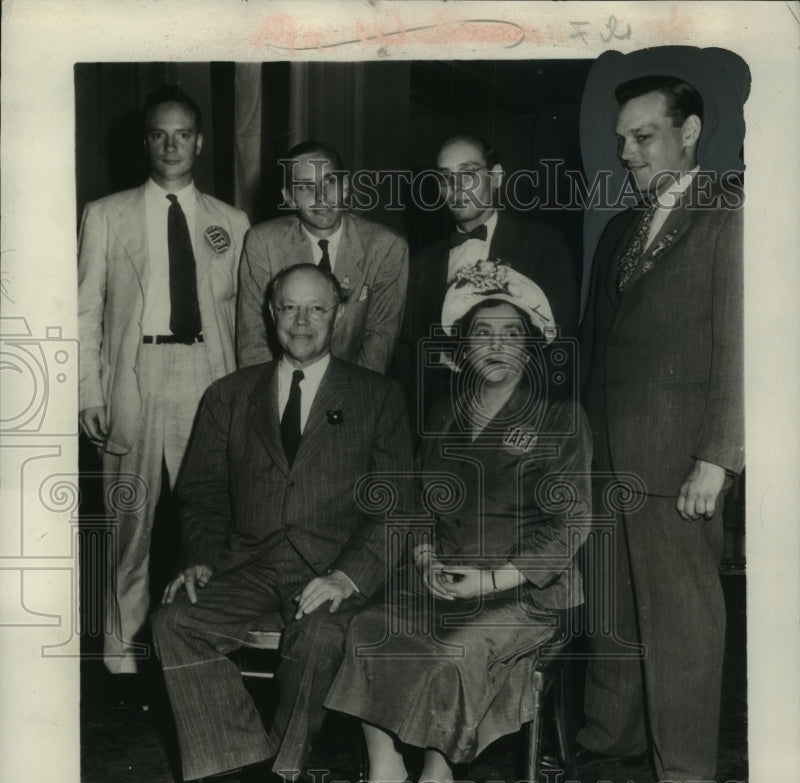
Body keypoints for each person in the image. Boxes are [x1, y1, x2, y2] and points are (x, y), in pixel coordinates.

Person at [325, 261, 592, 783]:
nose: (496, 347)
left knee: (455, 649)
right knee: (367, 626)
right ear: (464, 348)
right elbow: (421, 502)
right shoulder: (448, 413)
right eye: (482, 335)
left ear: (531, 347)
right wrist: (424, 555)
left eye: (510, 334)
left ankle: (436, 771)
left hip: (525, 590)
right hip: (446, 575)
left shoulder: (561, 418)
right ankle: (384, 768)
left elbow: (570, 525)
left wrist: (493, 578)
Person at [151, 263, 414, 783]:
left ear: (337, 315)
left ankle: (280, 776)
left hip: (331, 565)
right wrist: (198, 557)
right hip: (246, 560)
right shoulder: (228, 394)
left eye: (316, 308)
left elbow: (397, 505)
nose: (302, 321)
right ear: (270, 314)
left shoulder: (378, 395)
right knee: (174, 622)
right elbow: (199, 493)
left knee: (317, 637)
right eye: (290, 308)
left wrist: (348, 576)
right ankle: (252, 756)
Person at [577, 76, 744, 783]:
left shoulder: (730, 213)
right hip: (609, 454)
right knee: (612, 601)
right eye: (621, 139)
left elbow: (743, 349)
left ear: (691, 132)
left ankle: (684, 770)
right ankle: (611, 737)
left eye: (643, 136)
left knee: (681, 616)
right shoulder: (622, 227)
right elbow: (597, 348)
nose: (627, 152)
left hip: (679, 457)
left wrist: (718, 458)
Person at [78, 84, 250, 688]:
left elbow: (241, 318)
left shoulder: (232, 222)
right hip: (136, 377)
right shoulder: (105, 214)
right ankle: (122, 657)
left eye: (183, 134)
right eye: (159, 134)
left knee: (214, 520)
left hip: (209, 375)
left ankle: (207, 647)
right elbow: (84, 312)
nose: (171, 145)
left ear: (199, 141)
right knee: (131, 524)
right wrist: (88, 395)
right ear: (145, 141)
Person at [391, 133, 578, 428]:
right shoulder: (422, 263)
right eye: (445, 178)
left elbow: (560, 347)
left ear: (496, 176)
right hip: (439, 431)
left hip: (516, 425)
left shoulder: (543, 244)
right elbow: (407, 362)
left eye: (468, 174)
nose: (455, 188)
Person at [236, 140, 409, 373]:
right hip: (281, 382)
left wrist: (352, 398)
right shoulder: (263, 242)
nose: (321, 196)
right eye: (306, 186)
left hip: (354, 386)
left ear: (345, 186)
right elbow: (252, 337)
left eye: (329, 181)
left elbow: (380, 340)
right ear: (289, 197)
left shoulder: (386, 246)